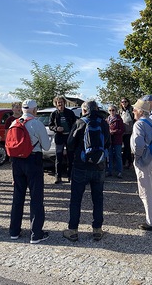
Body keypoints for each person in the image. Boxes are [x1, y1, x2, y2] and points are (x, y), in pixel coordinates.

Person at [63, 100, 110, 241]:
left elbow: (70, 144)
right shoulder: (103, 123)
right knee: (98, 199)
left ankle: (73, 230)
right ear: (96, 109)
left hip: (81, 166)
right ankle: (97, 229)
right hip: (99, 166)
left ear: (84, 110)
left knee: (76, 199)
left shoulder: (80, 122)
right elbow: (108, 143)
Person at [9, 99, 51, 244]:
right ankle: (36, 234)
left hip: (16, 162)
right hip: (33, 161)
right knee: (36, 198)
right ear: (34, 110)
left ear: (22, 109)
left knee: (18, 197)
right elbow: (46, 146)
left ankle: (14, 231)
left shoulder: (14, 123)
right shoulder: (37, 123)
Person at [130, 99, 152, 231]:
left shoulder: (139, 124)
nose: (133, 111)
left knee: (145, 192)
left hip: (146, 160)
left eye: (135, 109)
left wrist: (137, 158)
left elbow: (138, 144)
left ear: (140, 111)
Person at [48, 96, 76, 184]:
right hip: (59, 138)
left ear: (64, 103)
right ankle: (58, 177)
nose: (60, 104)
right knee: (58, 158)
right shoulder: (54, 114)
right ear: (56, 104)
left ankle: (70, 176)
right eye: (58, 102)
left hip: (69, 137)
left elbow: (75, 124)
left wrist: (73, 132)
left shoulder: (70, 113)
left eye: (61, 102)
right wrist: (56, 128)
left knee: (70, 157)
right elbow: (50, 126)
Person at [106, 105, 125, 178]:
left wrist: (114, 131)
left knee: (118, 156)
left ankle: (119, 172)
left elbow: (122, 130)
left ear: (116, 111)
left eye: (113, 110)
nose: (111, 112)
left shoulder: (119, 119)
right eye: (110, 110)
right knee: (109, 156)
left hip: (117, 140)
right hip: (109, 140)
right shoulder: (107, 120)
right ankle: (109, 171)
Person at [119, 97, 134, 169]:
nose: (124, 103)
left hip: (130, 131)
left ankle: (125, 161)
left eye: (125, 102)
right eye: (122, 102)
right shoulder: (120, 111)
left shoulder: (131, 110)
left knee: (127, 147)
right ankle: (128, 162)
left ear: (128, 102)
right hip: (122, 132)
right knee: (126, 147)